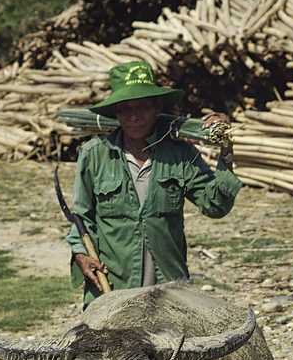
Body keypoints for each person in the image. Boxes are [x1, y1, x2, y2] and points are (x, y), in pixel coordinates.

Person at [65, 61, 240, 304]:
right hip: (114, 291)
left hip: (171, 291)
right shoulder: (95, 154)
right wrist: (80, 255)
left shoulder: (180, 154)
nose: (134, 116)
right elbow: (83, 218)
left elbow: (216, 206)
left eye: (142, 107)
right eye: (125, 108)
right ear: (116, 112)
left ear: (157, 106)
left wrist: (226, 149)